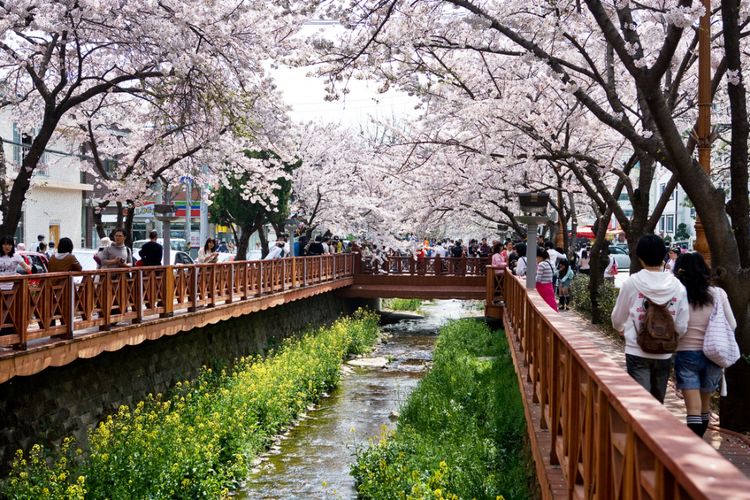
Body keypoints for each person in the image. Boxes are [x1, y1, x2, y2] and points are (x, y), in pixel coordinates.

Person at [611, 234, 689, 403]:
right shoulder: (678, 286)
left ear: (640, 257)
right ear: (664, 255)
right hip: (664, 352)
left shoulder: (632, 282)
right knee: (657, 404)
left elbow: (617, 317)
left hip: (636, 349)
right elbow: (682, 326)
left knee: (640, 404)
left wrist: (621, 329)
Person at [672, 252, 736, 437]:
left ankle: (694, 444)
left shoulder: (679, 293)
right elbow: (732, 324)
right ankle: (701, 444)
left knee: (693, 407)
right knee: (704, 405)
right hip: (713, 354)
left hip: (686, 353)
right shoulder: (718, 293)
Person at [535, 247, 558, 311]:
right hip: (549, 287)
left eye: (536, 257)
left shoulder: (541, 264)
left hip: (543, 289)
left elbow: (538, 279)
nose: (535, 259)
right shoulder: (548, 262)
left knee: (543, 307)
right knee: (551, 305)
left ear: (539, 256)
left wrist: (528, 279)